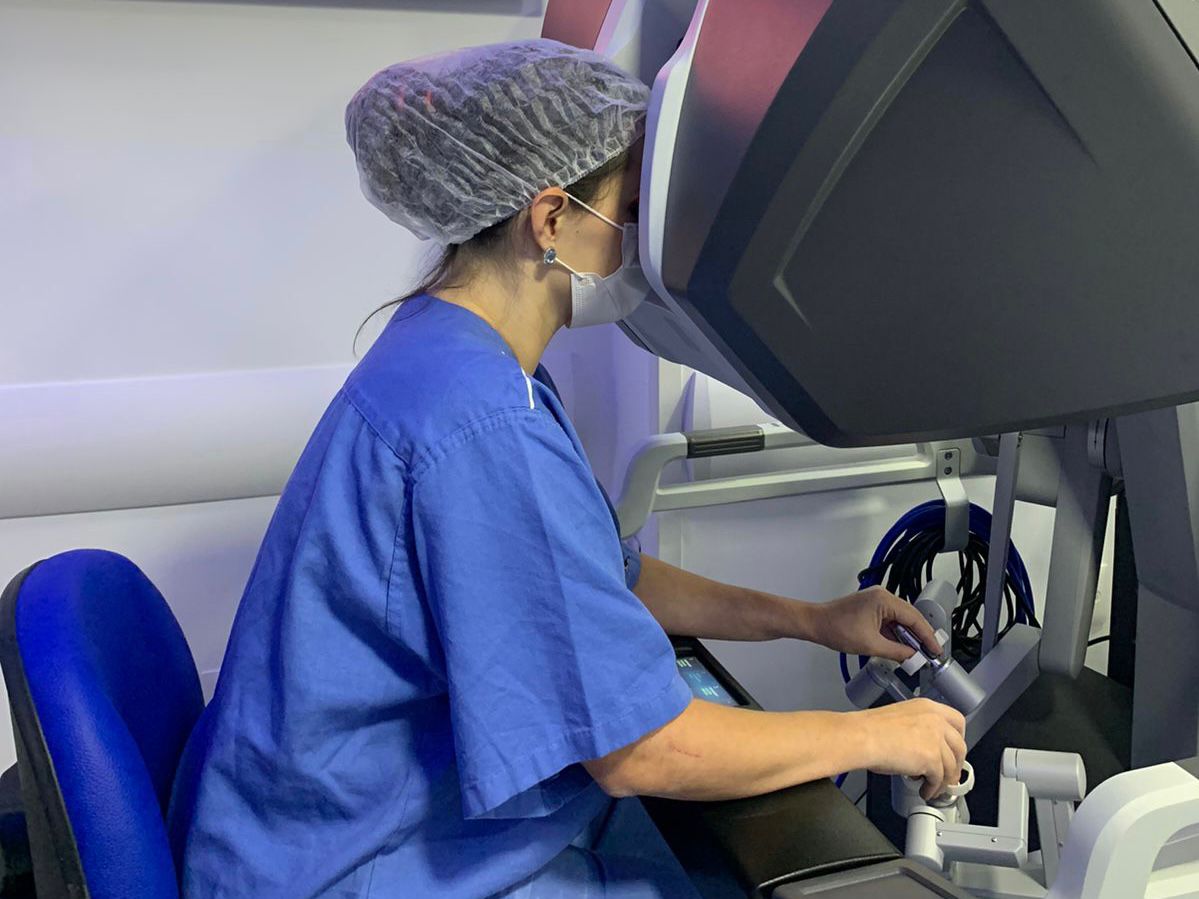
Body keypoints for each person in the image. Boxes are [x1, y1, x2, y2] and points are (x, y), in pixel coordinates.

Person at [167, 39, 966, 898]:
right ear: (549, 220)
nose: (640, 245)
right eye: (630, 210)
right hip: (349, 868)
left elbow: (604, 573)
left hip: (300, 832)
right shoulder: (482, 424)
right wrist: (878, 736)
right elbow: (641, 751)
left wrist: (810, 619)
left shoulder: (451, 354)